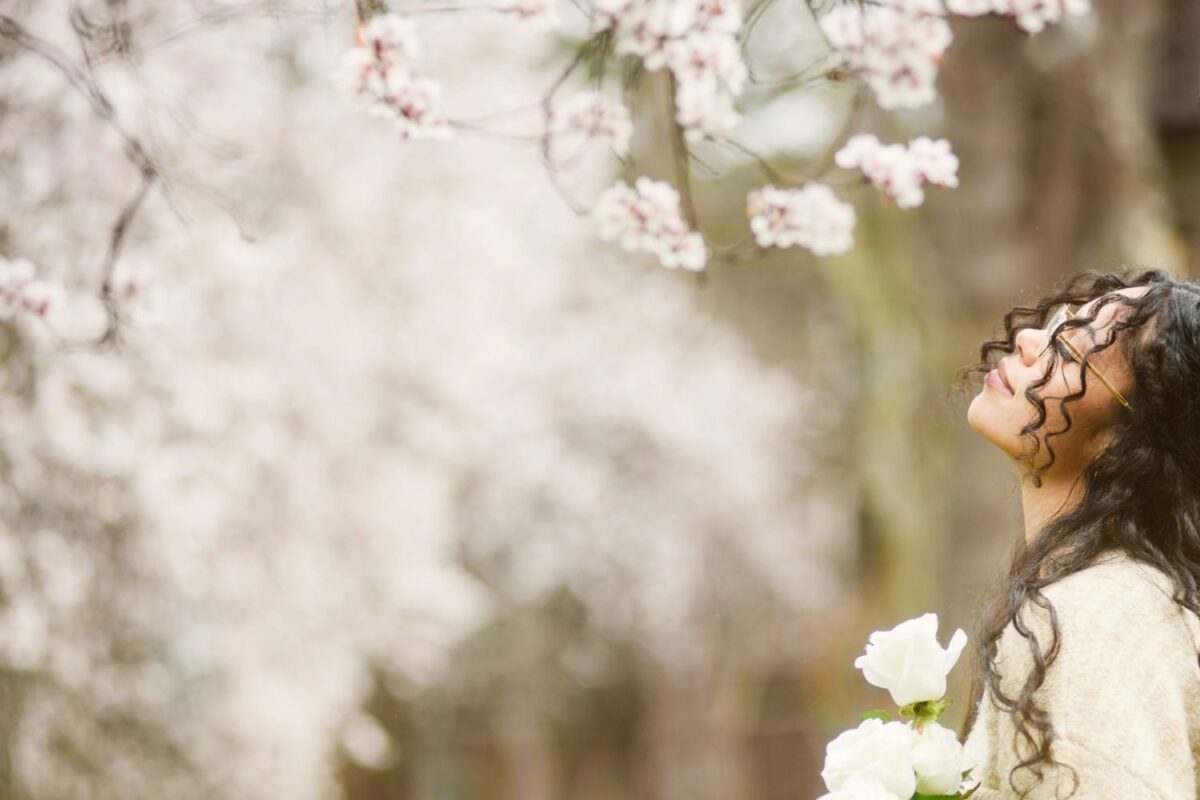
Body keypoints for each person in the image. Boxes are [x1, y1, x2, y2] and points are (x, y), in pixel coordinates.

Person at [956, 267, 1200, 798]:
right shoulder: (1125, 600)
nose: (1026, 340)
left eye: (1070, 349)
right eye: (1060, 322)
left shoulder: (1093, 620)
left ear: (1125, 444)